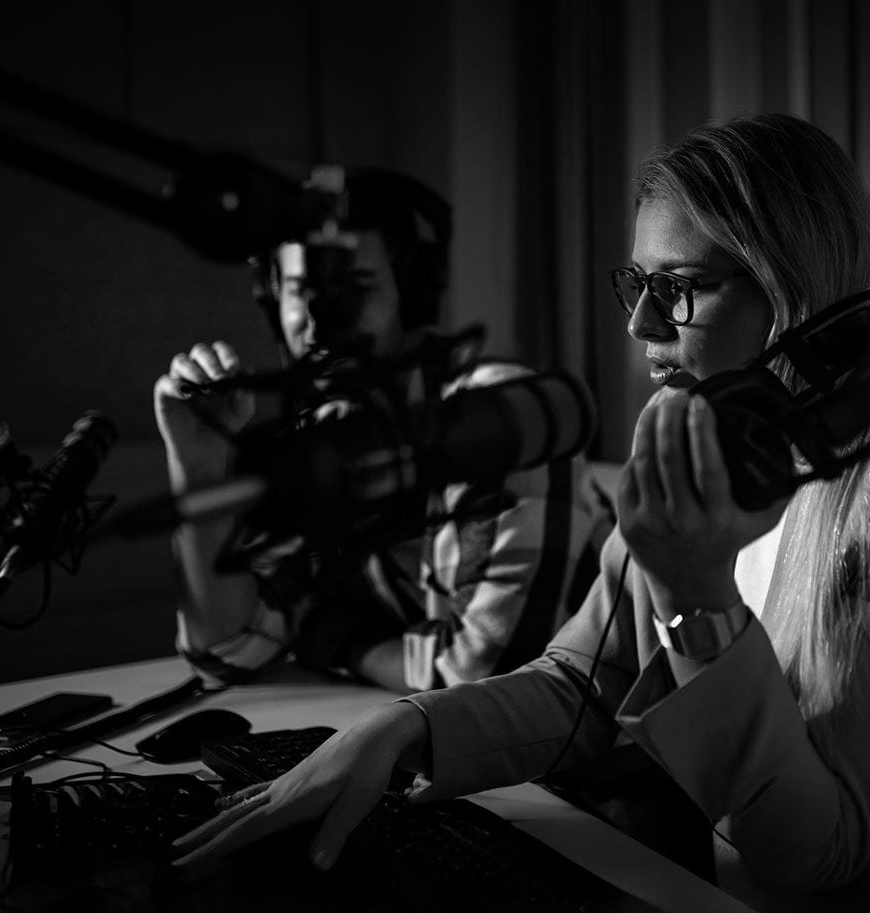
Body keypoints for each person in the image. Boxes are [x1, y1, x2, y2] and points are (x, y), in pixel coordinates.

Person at [169, 114, 870, 911]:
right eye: (637, 283)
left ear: (792, 282)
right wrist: (402, 730)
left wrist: (698, 594)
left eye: (678, 288)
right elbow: (584, 682)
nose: (639, 327)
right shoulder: (705, 425)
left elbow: (815, 854)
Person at [152, 168, 597, 694]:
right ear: (275, 303)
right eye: (302, 292)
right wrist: (199, 468)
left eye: (354, 288)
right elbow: (227, 650)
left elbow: (487, 683)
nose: (321, 321)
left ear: (412, 293)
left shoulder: (500, 419)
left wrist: (340, 642)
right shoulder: (316, 438)